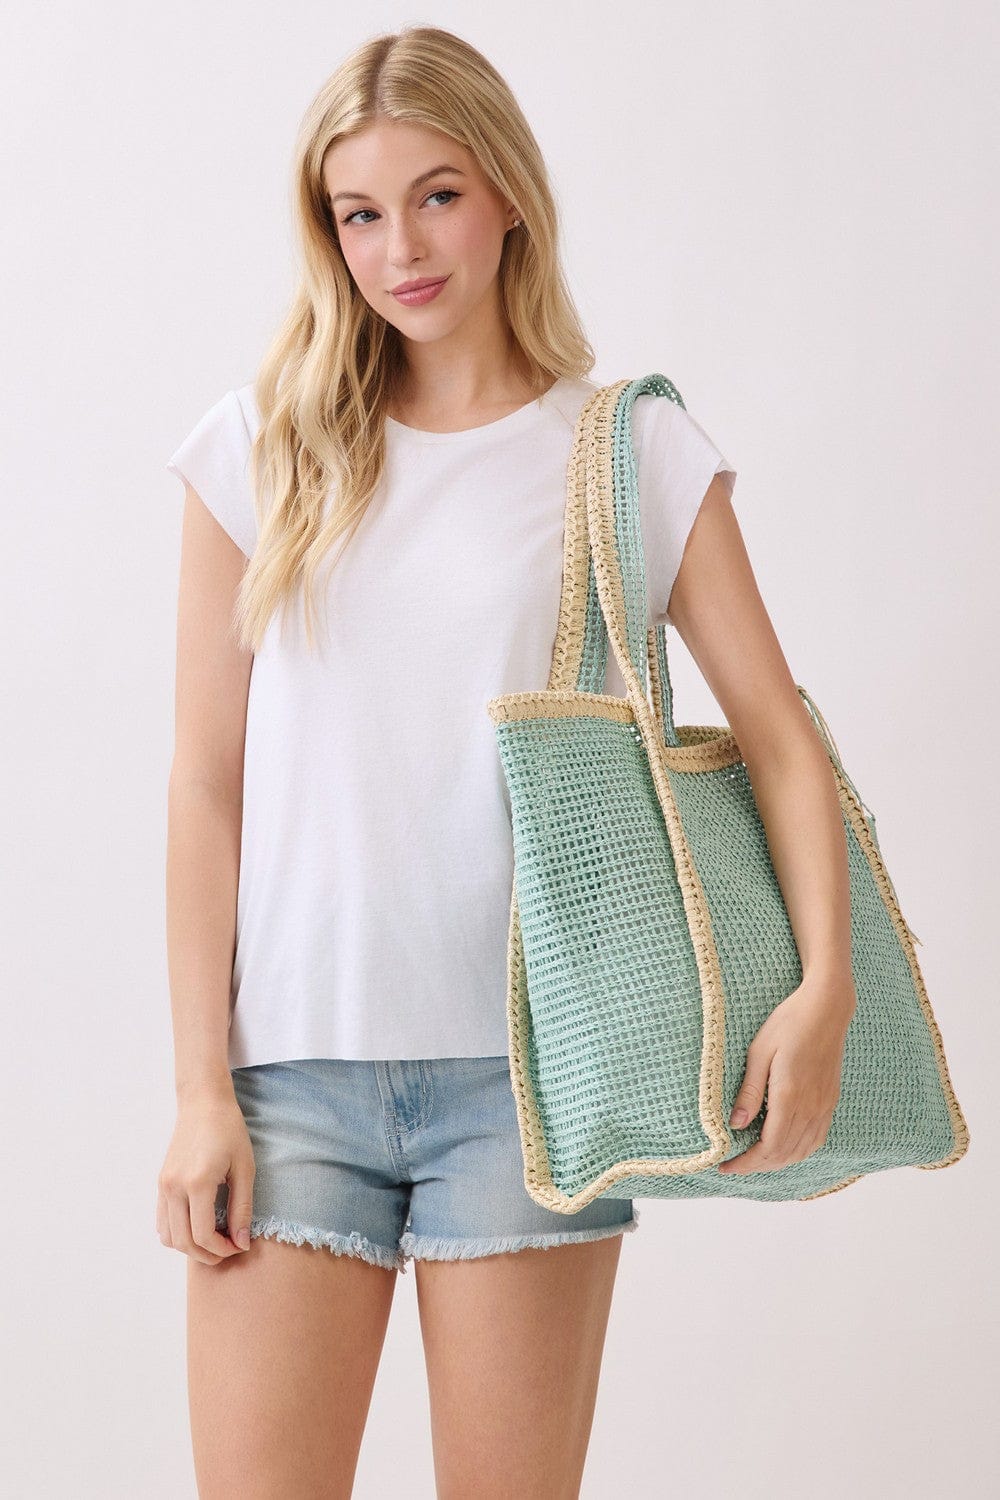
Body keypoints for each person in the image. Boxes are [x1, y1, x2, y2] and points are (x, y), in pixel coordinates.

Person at [157, 24, 857, 1500]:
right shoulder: (263, 450)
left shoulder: (625, 451)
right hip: (291, 1085)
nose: (400, 249)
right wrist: (199, 1089)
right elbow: (206, 785)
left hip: (534, 1089)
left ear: (509, 197)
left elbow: (781, 741)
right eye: (359, 212)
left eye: (438, 196)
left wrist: (824, 988)